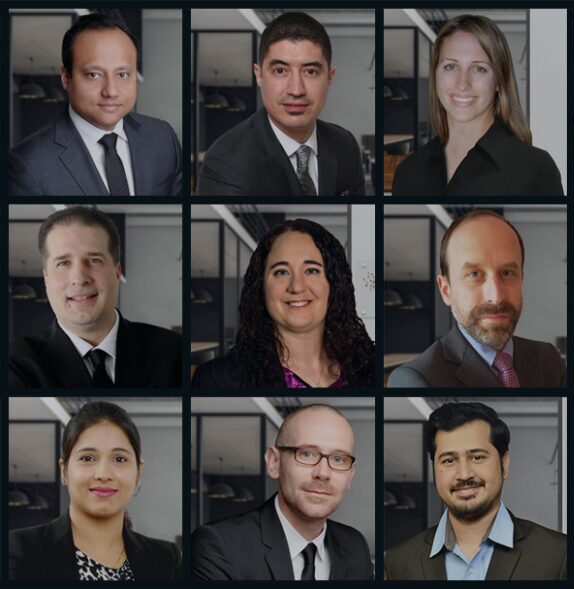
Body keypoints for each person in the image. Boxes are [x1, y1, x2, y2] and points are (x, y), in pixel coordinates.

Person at [384, 402, 566, 580]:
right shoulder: (398, 562)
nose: (464, 474)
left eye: (477, 457)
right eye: (449, 460)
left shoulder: (558, 554)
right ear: (434, 469)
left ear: (504, 464)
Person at [191, 404, 371, 580]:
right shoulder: (220, 545)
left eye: (339, 459)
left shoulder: (355, 546)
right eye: (307, 454)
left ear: (350, 475)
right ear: (274, 462)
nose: (323, 473)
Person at [10, 13, 181, 196]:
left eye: (122, 74)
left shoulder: (163, 138)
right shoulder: (28, 164)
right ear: (66, 78)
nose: (111, 91)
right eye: (94, 75)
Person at [9, 206, 181, 388]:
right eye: (63, 263)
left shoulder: (173, 351)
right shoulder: (14, 362)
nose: (79, 278)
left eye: (94, 260)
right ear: (46, 279)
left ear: (117, 272)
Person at [196, 12, 366, 196]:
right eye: (280, 70)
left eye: (310, 71)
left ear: (329, 77)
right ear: (259, 76)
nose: (296, 90)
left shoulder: (345, 144)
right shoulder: (225, 163)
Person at [389, 210, 564, 387]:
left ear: (521, 279)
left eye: (506, 273)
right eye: (474, 274)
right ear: (446, 290)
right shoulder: (416, 380)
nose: (496, 297)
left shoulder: (549, 359)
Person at [391, 15, 562, 196]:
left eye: (479, 68)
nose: (462, 83)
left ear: (499, 81)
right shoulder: (407, 172)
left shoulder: (536, 169)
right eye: (450, 66)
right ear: (435, 75)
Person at [192, 219, 375, 388]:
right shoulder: (216, 380)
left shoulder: (368, 366)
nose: (296, 287)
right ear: (261, 286)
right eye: (281, 272)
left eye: (311, 270)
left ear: (334, 283)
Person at [8, 401, 180, 581]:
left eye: (119, 459)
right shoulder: (19, 550)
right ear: (64, 470)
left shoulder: (167, 558)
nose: (103, 474)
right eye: (87, 458)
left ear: (138, 472)